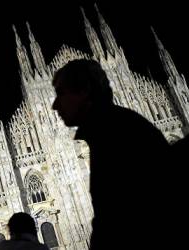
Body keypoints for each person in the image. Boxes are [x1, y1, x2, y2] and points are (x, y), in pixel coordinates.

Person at [51, 59, 170, 249]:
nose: (54, 105)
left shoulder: (119, 133)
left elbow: (120, 222)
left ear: (84, 91)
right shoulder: (107, 129)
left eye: (60, 94)